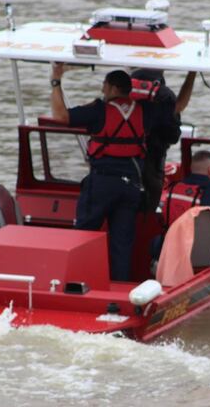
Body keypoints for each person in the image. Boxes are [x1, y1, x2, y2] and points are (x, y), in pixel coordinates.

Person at [49, 63, 171, 281]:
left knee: (83, 236)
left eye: (104, 85)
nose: (102, 89)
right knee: (121, 245)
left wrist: (56, 82)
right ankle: (118, 289)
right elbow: (176, 107)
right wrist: (189, 78)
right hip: (131, 187)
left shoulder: (99, 110)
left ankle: (74, 283)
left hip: (102, 184)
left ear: (114, 88)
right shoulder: (145, 111)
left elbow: (60, 116)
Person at [130, 69, 197, 212]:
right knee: (144, 213)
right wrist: (192, 73)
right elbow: (173, 134)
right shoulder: (164, 102)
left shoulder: (117, 105)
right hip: (151, 167)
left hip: (113, 168)